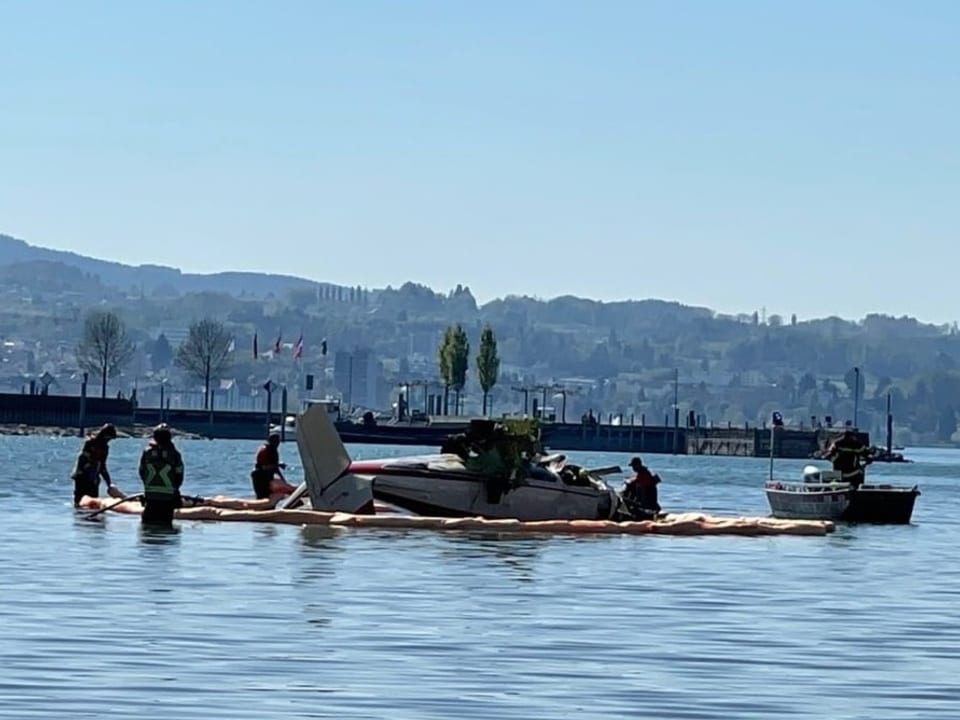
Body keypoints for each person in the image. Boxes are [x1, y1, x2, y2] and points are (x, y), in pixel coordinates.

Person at [138, 423, 185, 526]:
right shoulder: (175, 454)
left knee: (147, 526)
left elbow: (141, 472)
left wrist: (148, 487)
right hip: (167, 499)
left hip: (150, 497)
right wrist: (174, 490)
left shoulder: (147, 453)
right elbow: (179, 475)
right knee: (166, 527)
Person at [70, 423, 119, 506]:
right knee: (79, 502)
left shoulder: (105, 448)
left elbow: (102, 466)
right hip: (82, 477)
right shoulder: (90, 443)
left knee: (93, 503)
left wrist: (109, 483)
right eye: (108, 438)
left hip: (93, 480)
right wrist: (87, 472)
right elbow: (82, 460)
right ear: (104, 435)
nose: (108, 440)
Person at [251, 432, 294, 499]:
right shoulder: (266, 450)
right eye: (276, 441)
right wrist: (278, 465)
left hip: (265, 476)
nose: (278, 443)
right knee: (262, 496)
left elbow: (275, 468)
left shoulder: (273, 450)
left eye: (278, 441)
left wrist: (284, 481)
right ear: (271, 441)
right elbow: (264, 467)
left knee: (268, 495)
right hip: (259, 476)